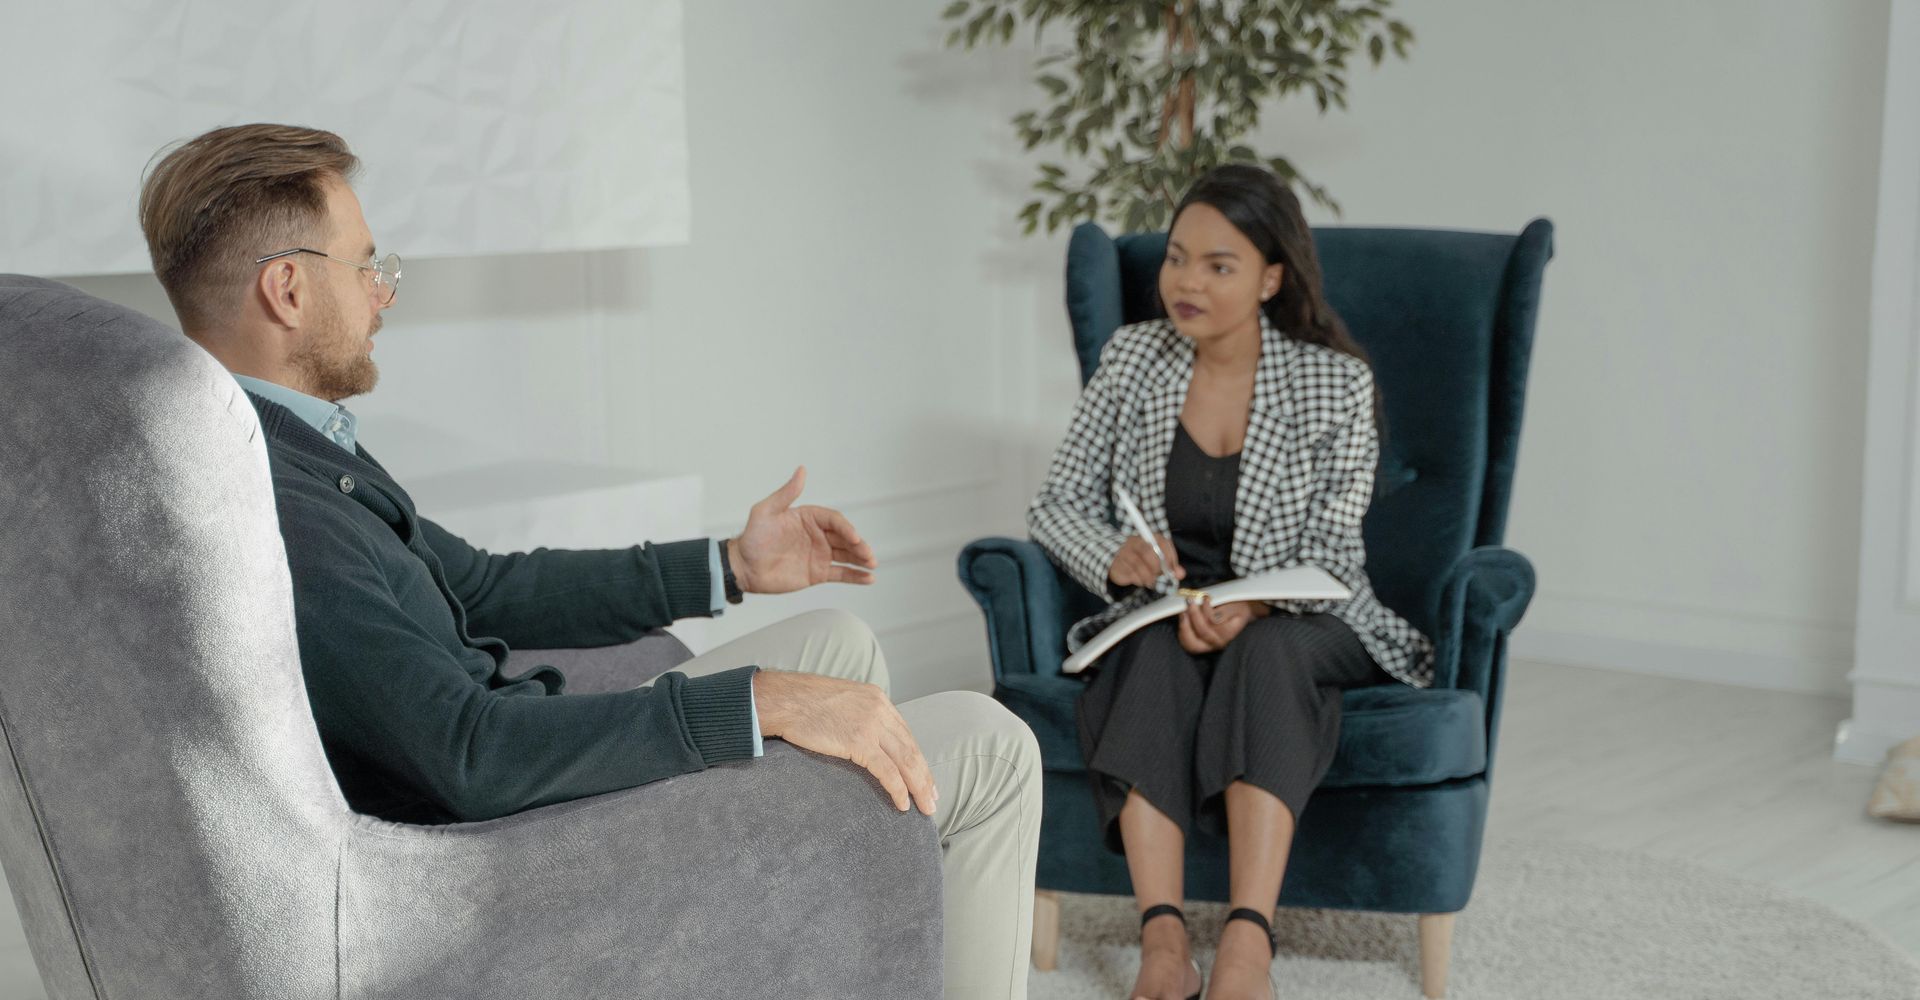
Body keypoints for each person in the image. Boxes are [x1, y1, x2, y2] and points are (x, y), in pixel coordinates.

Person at [135, 123, 1040, 1000]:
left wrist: (730, 565)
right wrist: (754, 701)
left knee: (835, 645)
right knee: (990, 743)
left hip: (514, 785)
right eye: (367, 265)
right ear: (289, 289)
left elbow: (480, 586)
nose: (385, 293)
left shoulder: (285, 443)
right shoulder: (281, 509)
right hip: (517, 858)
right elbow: (471, 755)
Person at [1027, 164, 1433, 1000]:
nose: (1187, 283)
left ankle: (1248, 949)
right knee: (1146, 660)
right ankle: (1164, 945)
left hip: (1304, 611)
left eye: (1220, 266)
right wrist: (1114, 556)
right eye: (1178, 258)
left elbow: (1333, 554)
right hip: (1166, 609)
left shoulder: (1333, 383)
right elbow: (1056, 502)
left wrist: (1252, 603)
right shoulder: (1134, 358)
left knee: (1267, 655)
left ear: (1270, 279)